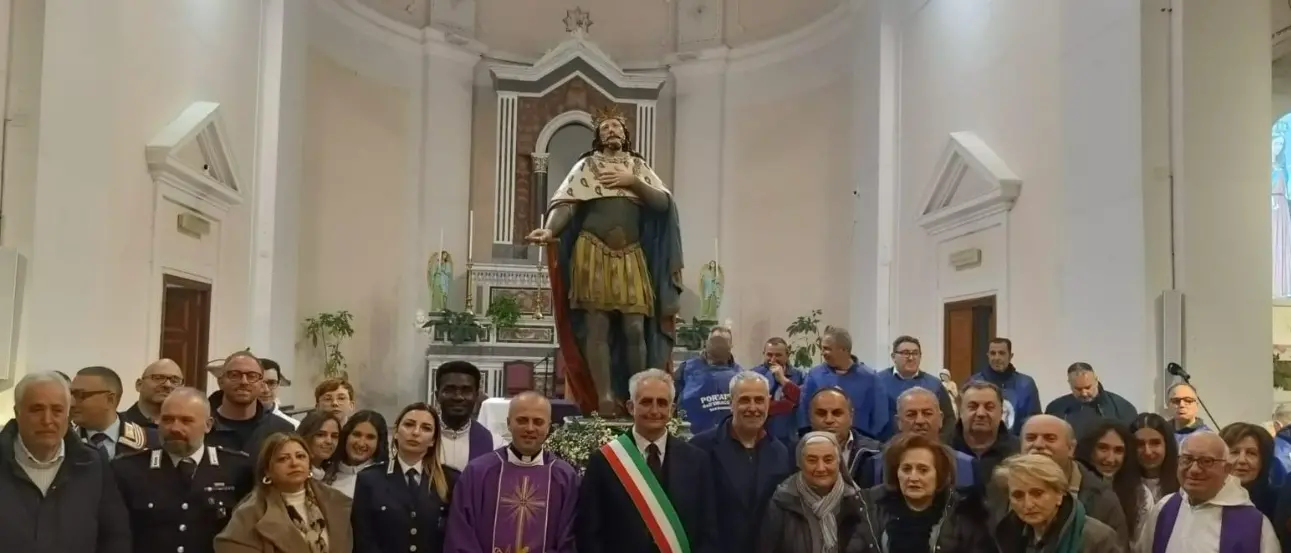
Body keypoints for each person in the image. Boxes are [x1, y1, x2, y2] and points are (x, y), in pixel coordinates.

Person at [526, 103, 684, 416]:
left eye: (617, 127)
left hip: (632, 254)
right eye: (605, 127)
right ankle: (605, 396)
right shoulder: (587, 167)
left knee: (635, 329)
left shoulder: (638, 167)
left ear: (626, 135)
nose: (611, 131)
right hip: (592, 251)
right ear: (598, 136)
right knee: (596, 327)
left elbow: (663, 204)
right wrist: (548, 230)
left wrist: (632, 182)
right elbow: (567, 203)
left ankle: (636, 393)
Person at [577, 369, 715, 553]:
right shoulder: (604, 461)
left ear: (672, 409)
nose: (655, 410)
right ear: (630, 407)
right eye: (646, 402)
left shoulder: (697, 460)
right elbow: (589, 532)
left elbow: (707, 531)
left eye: (662, 403)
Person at [0, 371, 131, 553]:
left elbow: (115, 536)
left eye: (57, 410)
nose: (47, 420)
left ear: (68, 414)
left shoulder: (92, 464)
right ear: (17, 412)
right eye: (36, 409)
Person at [112, 387, 254, 553]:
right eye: (167, 420)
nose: (175, 428)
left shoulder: (237, 468)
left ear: (208, 425)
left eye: (186, 421)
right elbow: (116, 534)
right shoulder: (128, 469)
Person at [445, 392, 579, 553]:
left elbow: (569, 540)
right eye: (522, 420)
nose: (530, 428)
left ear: (548, 427)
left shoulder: (565, 477)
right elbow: (461, 534)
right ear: (509, 423)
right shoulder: (478, 473)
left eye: (538, 422)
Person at [689, 371, 792, 553]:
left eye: (759, 400)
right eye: (745, 400)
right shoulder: (700, 448)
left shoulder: (781, 453)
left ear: (768, 403)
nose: (753, 408)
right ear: (731, 403)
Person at [1138, 432, 1278, 553]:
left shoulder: (1255, 525)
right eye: (1187, 459)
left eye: (1207, 461)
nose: (1194, 469)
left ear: (1227, 468)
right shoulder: (1164, 508)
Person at [215, 432, 352, 553]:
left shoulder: (337, 501)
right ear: (267, 470)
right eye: (283, 459)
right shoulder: (249, 514)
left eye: (300, 456)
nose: (294, 463)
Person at [856, 433, 992, 553]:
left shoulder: (963, 512)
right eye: (906, 469)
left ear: (939, 474)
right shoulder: (869, 507)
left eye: (923, 470)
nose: (913, 478)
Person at [352, 402, 459, 553]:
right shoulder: (370, 479)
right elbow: (364, 539)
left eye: (426, 428)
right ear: (396, 432)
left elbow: (454, 537)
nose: (415, 432)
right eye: (409, 425)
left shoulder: (450, 480)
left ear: (433, 440)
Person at [756, 431, 866, 553]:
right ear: (800, 463)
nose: (820, 468)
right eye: (812, 460)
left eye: (828, 460)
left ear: (838, 462)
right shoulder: (782, 503)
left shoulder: (857, 503)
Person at [994, 454, 1123, 553]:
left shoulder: (1097, 537)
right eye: (1018, 495)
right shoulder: (1008, 535)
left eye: (1037, 493)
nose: (1028, 504)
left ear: (1059, 495)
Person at [860, 387, 976, 488]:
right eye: (911, 414)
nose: (920, 421)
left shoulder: (968, 465)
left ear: (940, 419)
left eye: (927, 413)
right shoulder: (875, 467)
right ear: (898, 422)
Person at [798, 327, 891, 441]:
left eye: (827, 349)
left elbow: (880, 416)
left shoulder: (870, 378)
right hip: (821, 442)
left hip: (859, 445)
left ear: (843, 350)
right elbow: (804, 410)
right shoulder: (814, 375)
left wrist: (865, 441)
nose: (823, 353)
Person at [207, 351, 296, 458]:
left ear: (261, 383)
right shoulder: (202, 426)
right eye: (235, 375)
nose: (244, 382)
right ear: (221, 382)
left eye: (252, 376)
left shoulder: (282, 430)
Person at [1074, 420, 1150, 542]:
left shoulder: (1141, 495)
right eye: (1103, 448)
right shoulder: (1073, 484)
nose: (1110, 459)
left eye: (1118, 451)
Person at [71, 365, 159, 458]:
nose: (71, 403)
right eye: (70, 394)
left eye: (80, 395)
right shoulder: (63, 443)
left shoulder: (152, 442)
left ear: (110, 400)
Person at [946, 380, 1020, 488]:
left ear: (1001, 412)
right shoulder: (943, 450)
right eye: (973, 406)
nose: (981, 413)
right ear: (960, 412)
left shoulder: (1018, 452)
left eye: (989, 407)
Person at [433, 361, 504, 471]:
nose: (458, 397)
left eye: (466, 391)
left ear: (476, 396)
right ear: (437, 396)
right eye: (450, 390)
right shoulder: (417, 437)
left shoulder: (495, 444)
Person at [877, 336, 956, 432]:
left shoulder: (934, 384)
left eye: (915, 353)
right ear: (893, 357)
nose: (911, 358)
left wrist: (939, 443)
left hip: (927, 443)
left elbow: (949, 420)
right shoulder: (878, 381)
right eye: (905, 353)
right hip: (887, 444)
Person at [805, 387, 883, 484]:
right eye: (821, 414)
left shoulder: (875, 452)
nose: (829, 420)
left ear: (851, 416)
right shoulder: (794, 453)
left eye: (837, 413)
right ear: (810, 418)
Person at [674, 326, 742, 434]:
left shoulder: (740, 374)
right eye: (715, 341)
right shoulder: (687, 369)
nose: (718, 346)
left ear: (731, 345)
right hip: (692, 437)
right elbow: (672, 399)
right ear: (706, 343)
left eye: (723, 342)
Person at [966, 337, 1040, 434]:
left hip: (1016, 445)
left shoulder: (1026, 384)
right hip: (982, 443)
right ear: (987, 355)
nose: (996, 358)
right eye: (993, 353)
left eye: (1001, 353)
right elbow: (966, 417)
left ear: (1010, 356)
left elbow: (1033, 421)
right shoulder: (974, 382)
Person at [1045, 363, 1138, 439]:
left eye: (1088, 387)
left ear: (1096, 380)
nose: (1084, 393)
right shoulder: (1056, 408)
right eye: (1078, 389)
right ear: (1069, 383)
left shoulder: (1122, 407)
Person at [750, 337, 805, 447]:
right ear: (763, 354)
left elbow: (801, 400)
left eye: (778, 355)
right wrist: (788, 404)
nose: (773, 359)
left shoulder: (799, 375)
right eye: (769, 355)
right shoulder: (753, 375)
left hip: (790, 438)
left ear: (787, 355)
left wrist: (783, 380)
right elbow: (759, 405)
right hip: (761, 437)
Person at [320, 410, 388, 497]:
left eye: (370, 437)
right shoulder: (323, 473)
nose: (361, 443)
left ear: (379, 443)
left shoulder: (387, 480)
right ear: (346, 436)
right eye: (356, 434)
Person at [1218, 423, 1279, 519]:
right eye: (1234, 452)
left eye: (1251, 453)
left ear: (1264, 460)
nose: (1242, 460)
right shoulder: (1205, 498)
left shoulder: (1277, 503)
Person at [1130, 414, 1179, 503]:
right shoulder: (1119, 484)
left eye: (1155, 443)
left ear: (1167, 445)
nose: (1147, 452)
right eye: (1140, 444)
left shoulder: (1183, 483)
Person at [121, 358, 183, 428]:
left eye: (175, 380)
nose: (167, 385)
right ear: (139, 385)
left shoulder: (187, 429)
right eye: (158, 378)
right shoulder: (118, 425)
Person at [297, 410, 342, 480]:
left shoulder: (333, 474)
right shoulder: (294, 473)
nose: (329, 441)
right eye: (320, 435)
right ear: (305, 436)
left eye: (334, 436)